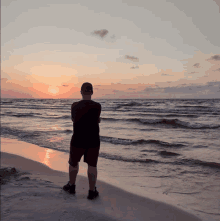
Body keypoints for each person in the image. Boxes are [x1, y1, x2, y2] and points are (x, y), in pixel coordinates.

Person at [63, 82, 102, 200]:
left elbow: (73, 119)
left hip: (78, 138)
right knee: (92, 165)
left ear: (81, 92)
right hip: (93, 139)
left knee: (73, 163)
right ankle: (91, 191)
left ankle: (72, 185)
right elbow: (97, 119)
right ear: (92, 92)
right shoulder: (97, 106)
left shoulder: (74, 105)